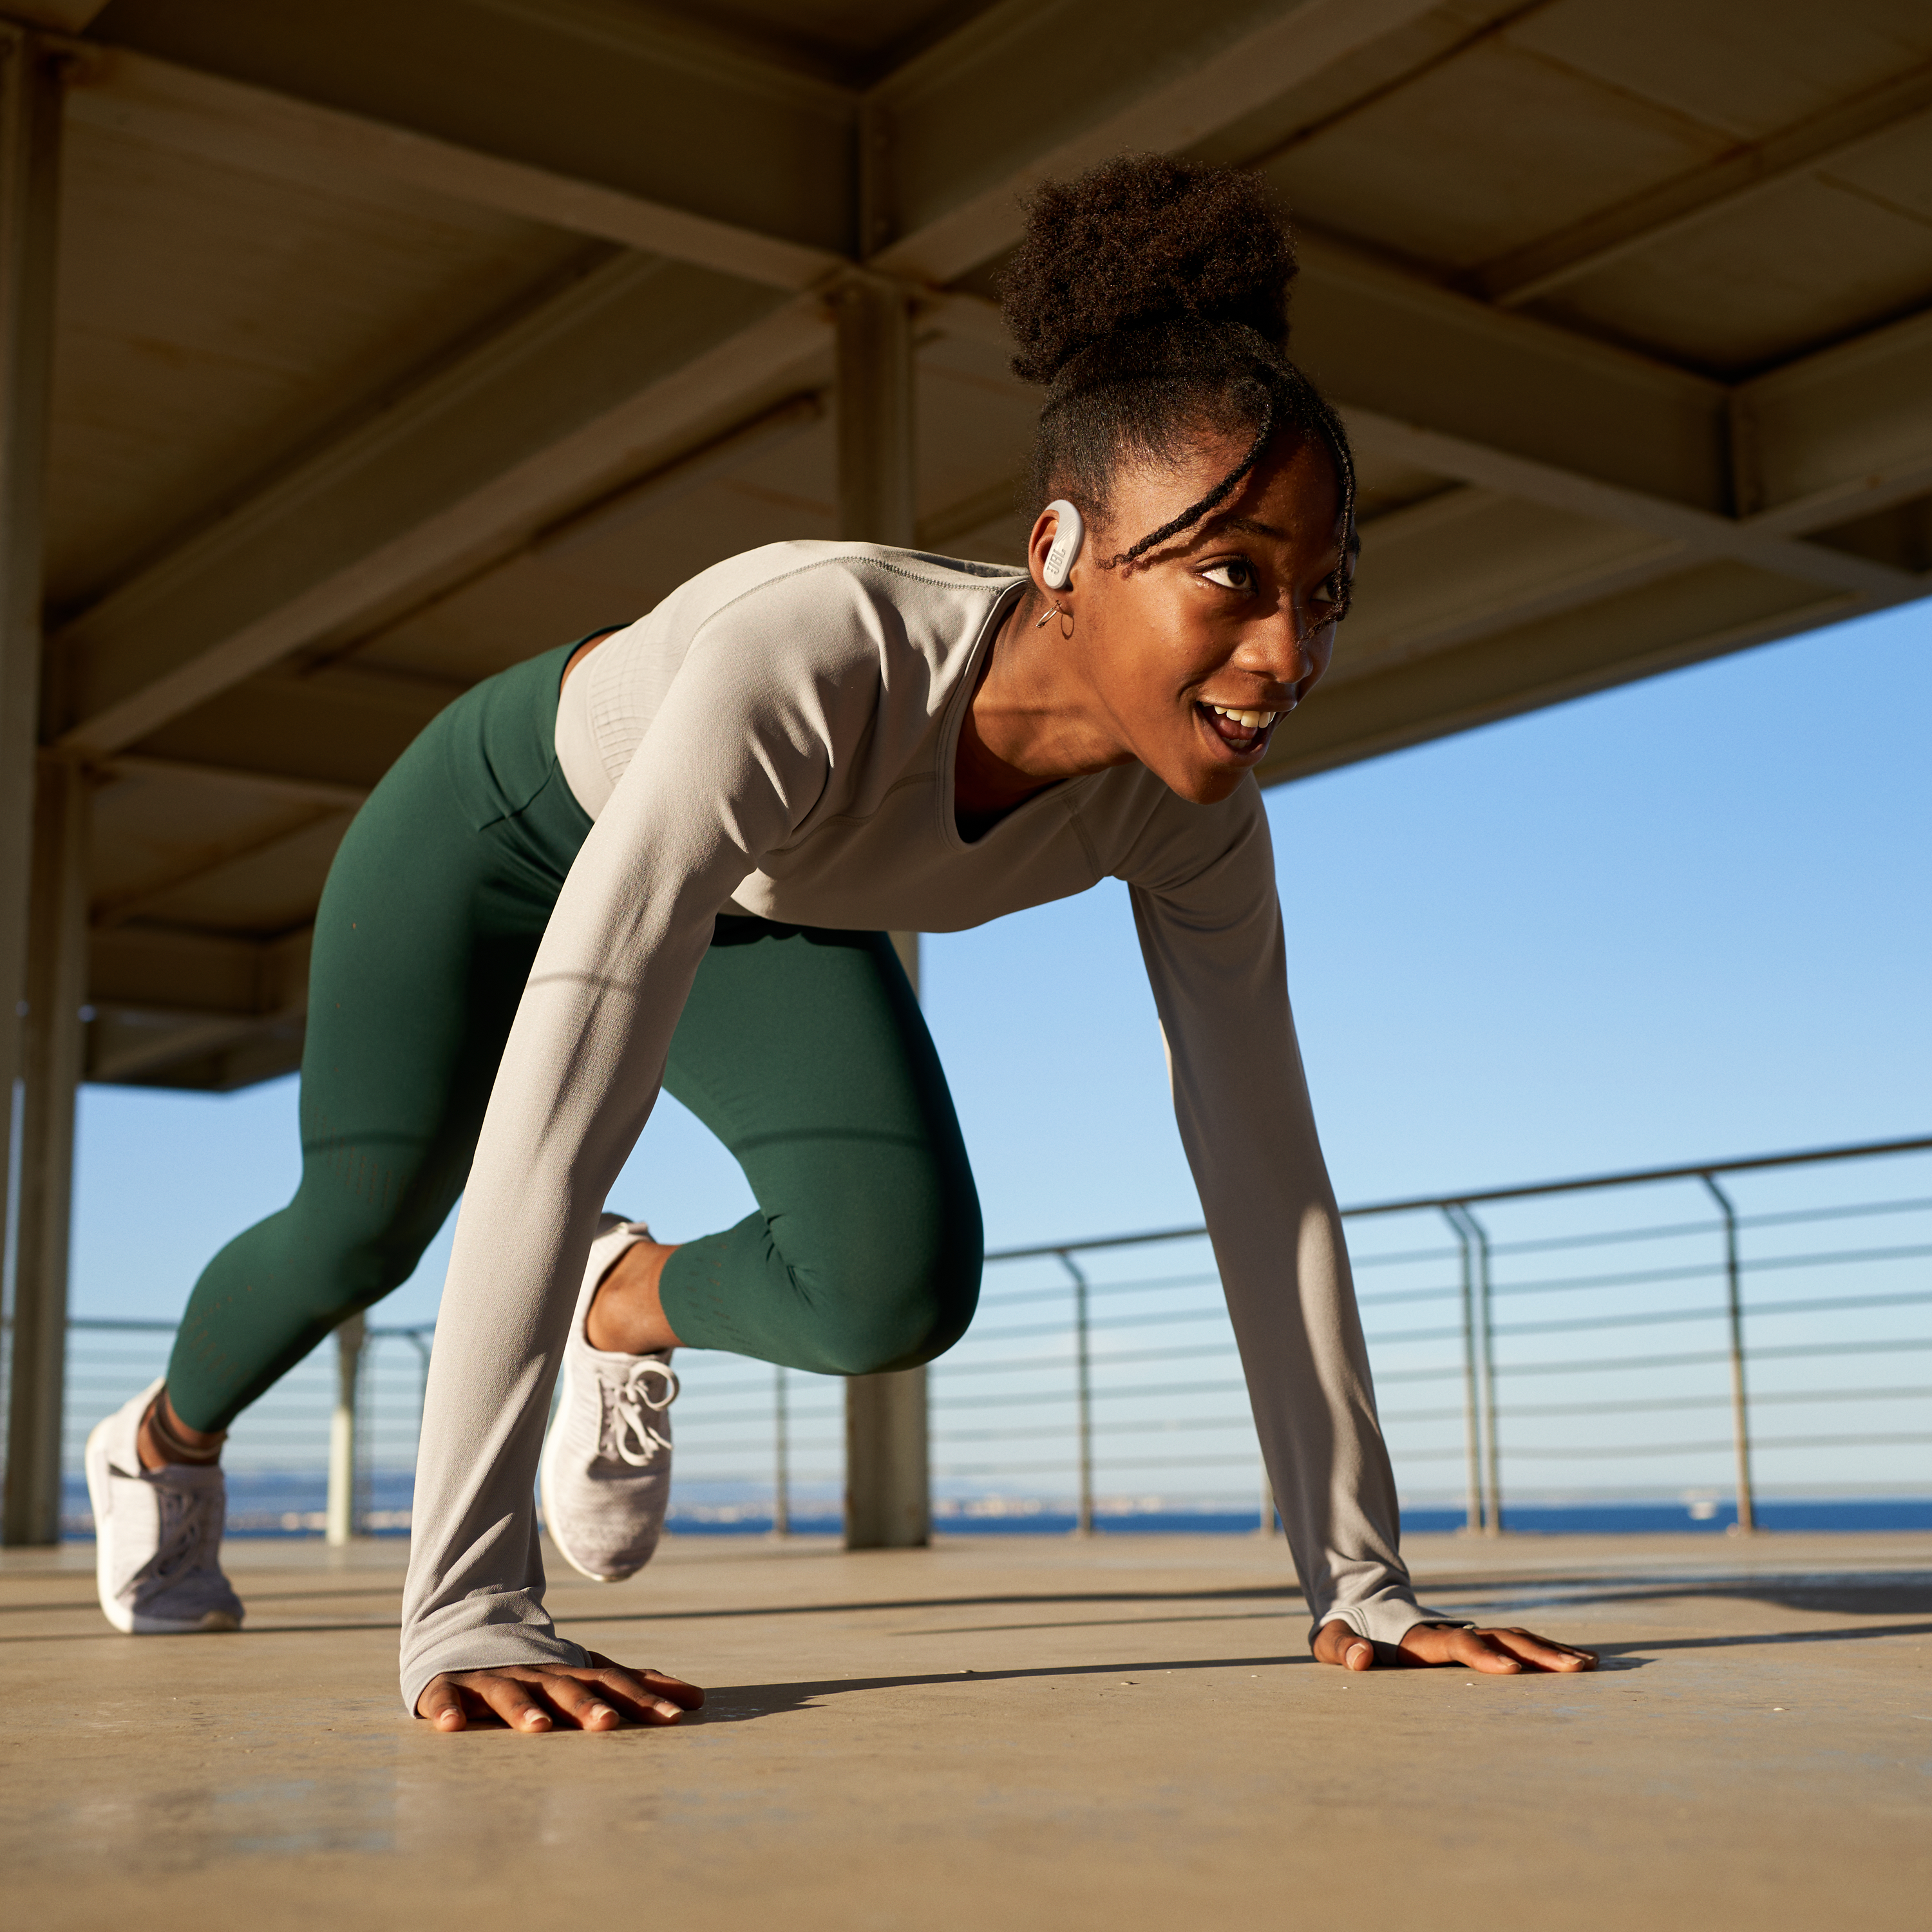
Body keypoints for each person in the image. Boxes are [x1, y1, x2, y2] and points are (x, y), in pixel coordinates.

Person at [84, 155, 1596, 1723]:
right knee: (363, 1223)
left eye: (1326, 590)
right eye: (1234, 575)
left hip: (752, 894)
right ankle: (161, 1445)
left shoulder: (1193, 818)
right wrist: (467, 1607)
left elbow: (1265, 1168)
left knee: (892, 1281)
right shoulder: (820, 657)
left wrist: (1361, 1583)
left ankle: (624, 1302)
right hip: (500, 831)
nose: (1292, 652)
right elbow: (560, 1104)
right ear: (1063, 548)